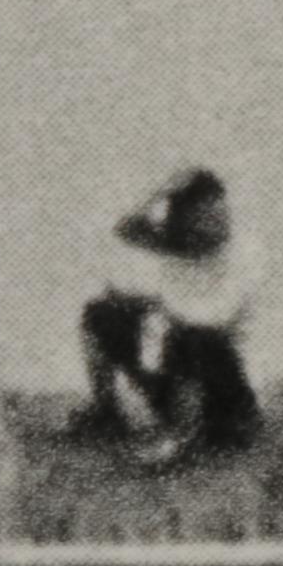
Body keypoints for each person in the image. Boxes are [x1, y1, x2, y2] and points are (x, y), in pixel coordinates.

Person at [81, 164, 264, 465]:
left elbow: (217, 320)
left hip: (222, 393)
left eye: (220, 212)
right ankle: (107, 413)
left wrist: (158, 309)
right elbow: (126, 227)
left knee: (192, 336)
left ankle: (180, 441)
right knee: (101, 312)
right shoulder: (178, 245)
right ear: (185, 220)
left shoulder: (245, 252)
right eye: (204, 216)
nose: (219, 222)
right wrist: (164, 190)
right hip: (176, 375)